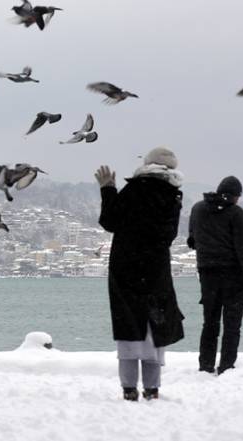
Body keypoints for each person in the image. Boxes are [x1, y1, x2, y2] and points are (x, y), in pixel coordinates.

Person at [95, 147, 185, 401]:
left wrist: (108, 190)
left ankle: (129, 387)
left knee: (128, 326)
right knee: (155, 327)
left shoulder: (134, 189)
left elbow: (110, 222)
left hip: (126, 265)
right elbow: (169, 235)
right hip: (156, 267)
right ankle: (153, 388)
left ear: (147, 164)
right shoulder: (173, 195)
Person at [187, 175, 243, 375]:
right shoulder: (236, 213)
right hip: (232, 275)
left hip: (207, 274)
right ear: (234, 196)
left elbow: (192, 241)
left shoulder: (197, 209)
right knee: (232, 324)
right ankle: (226, 366)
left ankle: (205, 365)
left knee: (210, 322)